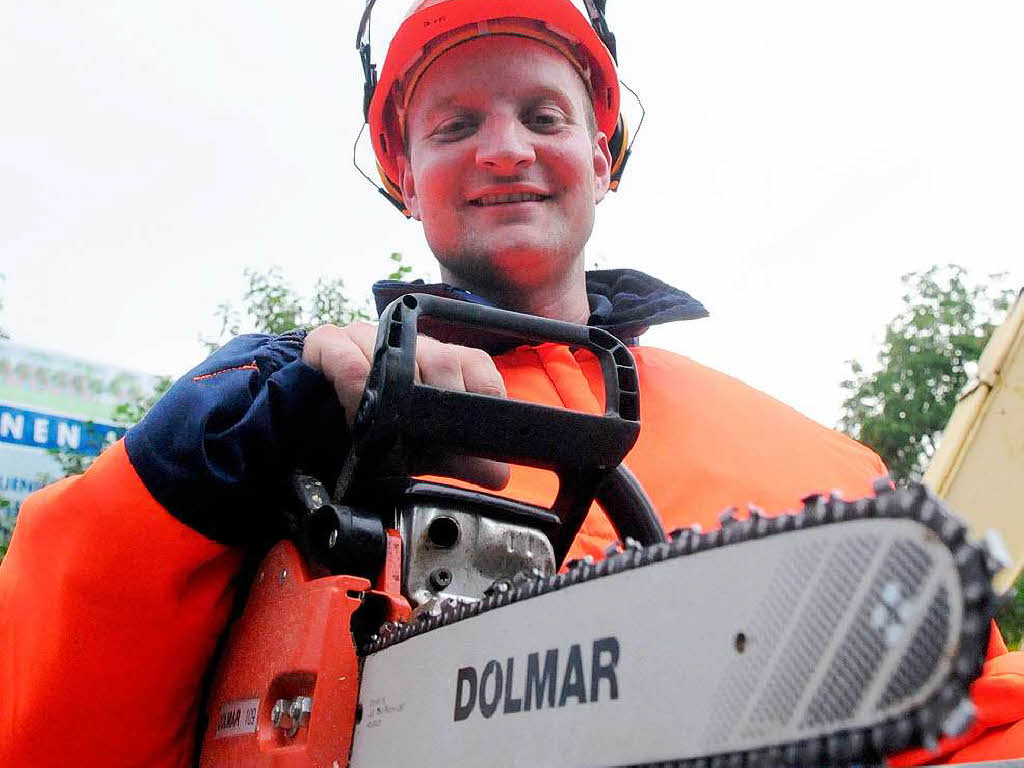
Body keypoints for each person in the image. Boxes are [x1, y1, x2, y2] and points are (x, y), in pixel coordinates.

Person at [1, 1, 1021, 765]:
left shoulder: (807, 460)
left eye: (542, 112)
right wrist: (202, 465)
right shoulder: (298, 410)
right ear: (403, 175)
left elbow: (961, 704)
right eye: (453, 126)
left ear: (601, 153)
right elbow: (46, 718)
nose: (503, 150)